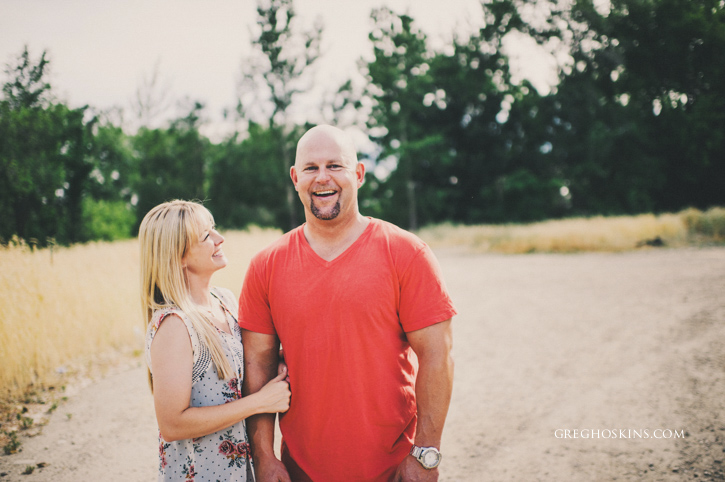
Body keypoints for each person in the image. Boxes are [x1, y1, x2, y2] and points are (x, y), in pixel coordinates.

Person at [239, 125, 456, 481]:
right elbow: (257, 368)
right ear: (295, 178)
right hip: (299, 472)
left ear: (358, 174)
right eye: (311, 168)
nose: (322, 177)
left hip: (394, 470)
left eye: (335, 166)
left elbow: (437, 356)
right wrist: (263, 455)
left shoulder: (406, 253)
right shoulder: (266, 265)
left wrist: (426, 453)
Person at [140, 200, 291, 481]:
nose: (220, 239)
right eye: (207, 236)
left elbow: (243, 366)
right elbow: (173, 424)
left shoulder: (225, 301)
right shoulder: (175, 325)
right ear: (179, 256)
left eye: (214, 230)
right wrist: (261, 402)